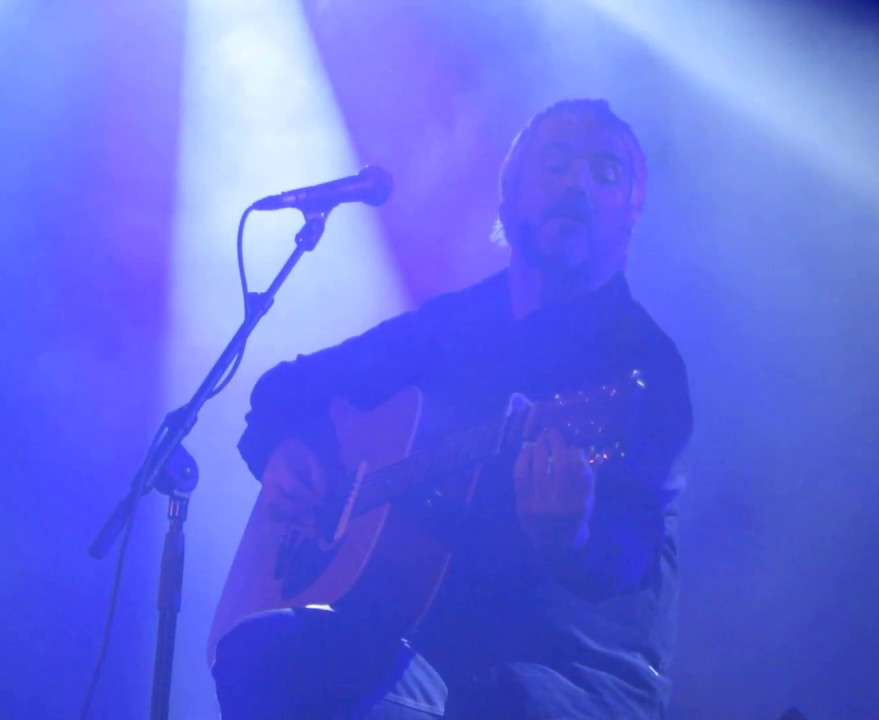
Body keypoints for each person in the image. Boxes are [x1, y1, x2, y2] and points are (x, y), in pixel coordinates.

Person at [211, 98, 693, 719]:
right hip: (424, 649)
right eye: (556, 165)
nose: (578, 183)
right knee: (259, 650)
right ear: (508, 199)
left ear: (631, 213)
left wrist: (570, 538)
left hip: (573, 675)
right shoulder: (454, 325)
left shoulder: (642, 367)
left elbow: (633, 547)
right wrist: (290, 450)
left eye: (605, 172)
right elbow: (287, 389)